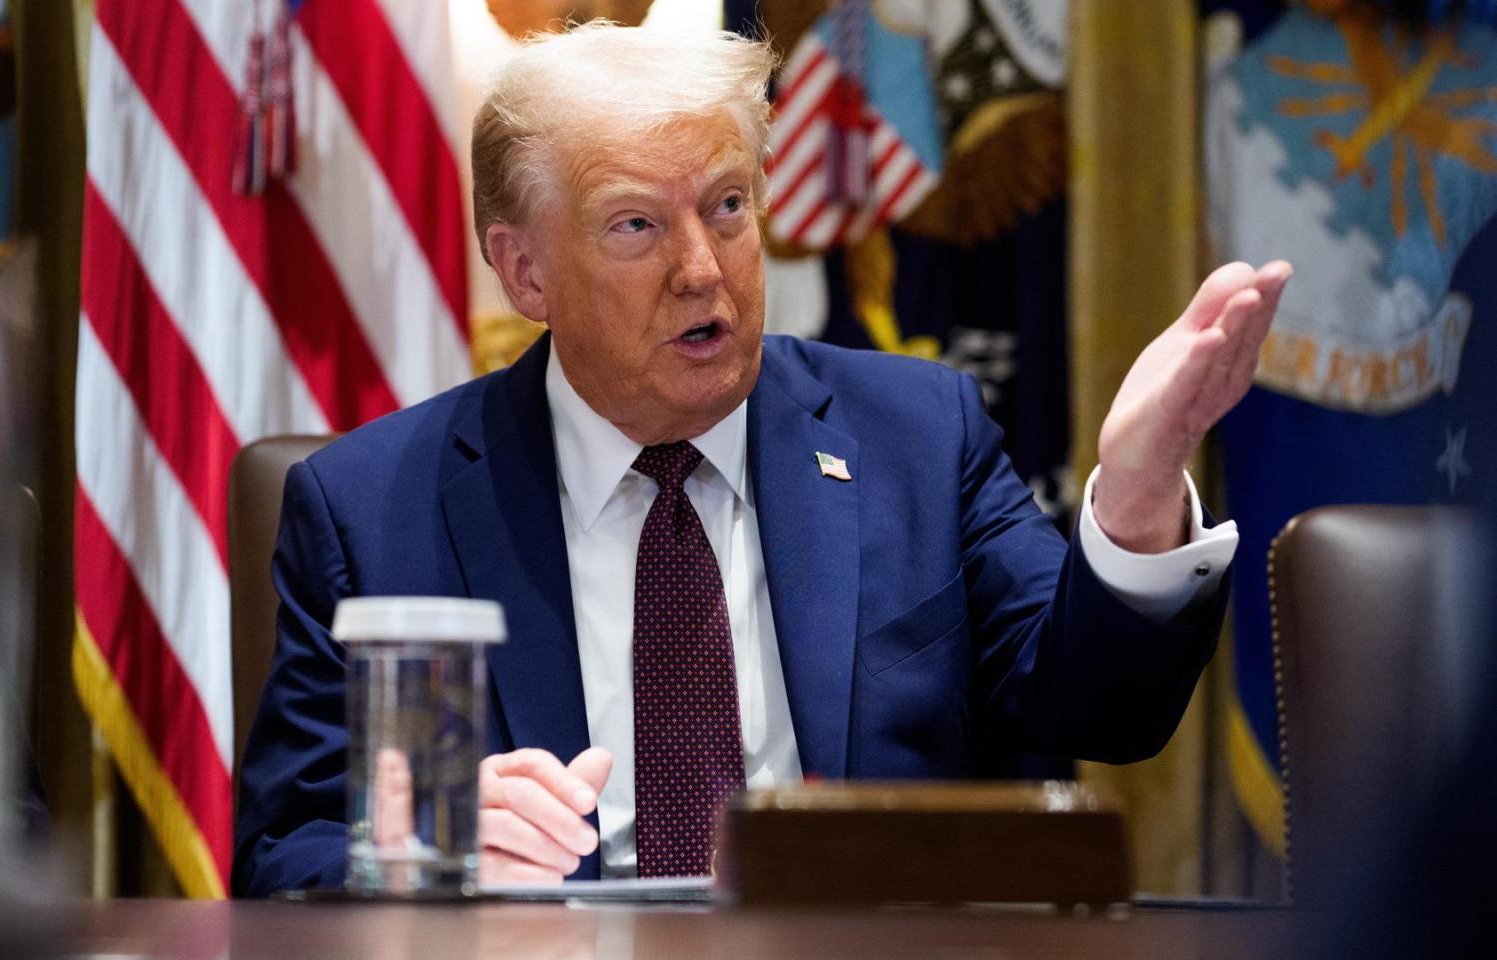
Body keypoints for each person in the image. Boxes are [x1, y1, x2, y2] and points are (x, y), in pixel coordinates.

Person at [233, 22, 1291, 895]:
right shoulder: (371, 511)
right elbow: (283, 859)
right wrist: (424, 855)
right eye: (636, 225)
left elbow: (1099, 709)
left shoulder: (916, 437)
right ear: (524, 272)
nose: (704, 269)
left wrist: (1140, 491)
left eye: (728, 206)